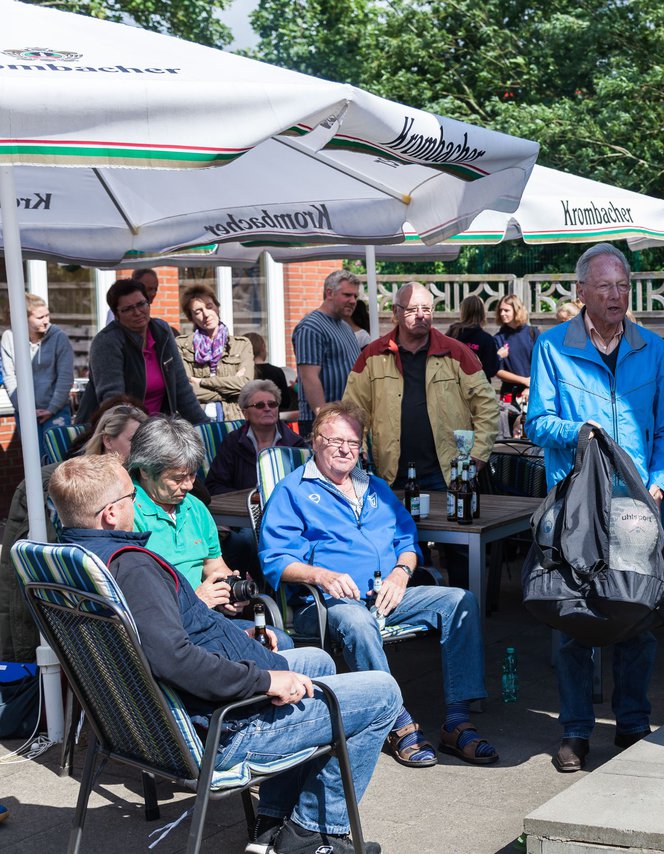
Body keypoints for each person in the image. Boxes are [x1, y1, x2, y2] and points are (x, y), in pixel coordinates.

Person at [50, 454, 399, 854]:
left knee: (318, 662)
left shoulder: (75, 563)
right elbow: (172, 659)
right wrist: (264, 680)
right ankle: (312, 835)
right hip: (223, 729)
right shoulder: (132, 569)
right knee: (382, 692)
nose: (138, 503)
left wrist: (240, 640)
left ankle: (272, 822)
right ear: (111, 514)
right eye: (132, 495)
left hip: (157, 725)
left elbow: (161, 641)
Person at [258, 401, 498, 769]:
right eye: (335, 440)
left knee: (459, 601)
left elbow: (407, 541)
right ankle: (397, 722)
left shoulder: (377, 488)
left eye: (353, 443)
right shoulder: (294, 492)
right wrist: (320, 575)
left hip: (385, 593)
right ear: (315, 441)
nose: (344, 449)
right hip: (325, 603)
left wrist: (402, 572)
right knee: (357, 622)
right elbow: (275, 559)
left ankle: (456, 721)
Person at [526, 242, 664, 774]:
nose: (616, 296)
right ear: (582, 293)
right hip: (575, 504)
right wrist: (579, 431)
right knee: (575, 615)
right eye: (605, 287)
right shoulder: (552, 347)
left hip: (636, 504)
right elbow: (536, 423)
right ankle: (574, 731)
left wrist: (659, 483)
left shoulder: (652, 347)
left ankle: (634, 722)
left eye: (623, 286)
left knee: (636, 610)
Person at [344, 282, 499, 585]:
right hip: (391, 474)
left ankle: (463, 615)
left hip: (449, 472)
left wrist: (478, 455)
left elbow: (487, 406)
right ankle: (419, 613)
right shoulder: (372, 354)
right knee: (400, 549)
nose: (421, 316)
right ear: (396, 314)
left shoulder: (457, 352)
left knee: (459, 550)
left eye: (426, 309)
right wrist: (357, 452)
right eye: (413, 310)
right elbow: (352, 412)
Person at [0, 403, 147, 662]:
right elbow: (28, 575)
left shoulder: (148, 478)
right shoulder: (62, 486)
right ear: (108, 441)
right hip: (94, 625)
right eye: (136, 439)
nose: (144, 447)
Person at [127, 416, 281, 648]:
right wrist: (197, 601)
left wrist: (229, 590)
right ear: (146, 471)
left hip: (206, 621)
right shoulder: (127, 513)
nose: (189, 485)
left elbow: (213, 566)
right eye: (178, 478)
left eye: (192, 475)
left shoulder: (194, 506)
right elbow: (138, 598)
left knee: (278, 641)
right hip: (167, 635)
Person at [76, 279, 207, 424]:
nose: (137, 312)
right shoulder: (107, 342)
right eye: (128, 309)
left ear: (148, 303)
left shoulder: (162, 331)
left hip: (157, 430)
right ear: (116, 314)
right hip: (114, 431)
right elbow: (114, 404)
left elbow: (182, 389)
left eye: (141, 304)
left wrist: (207, 427)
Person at [292, 270, 362, 436]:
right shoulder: (311, 327)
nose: (353, 301)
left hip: (347, 420)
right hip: (321, 423)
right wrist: (324, 421)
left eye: (355, 296)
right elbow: (309, 378)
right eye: (347, 295)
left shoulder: (345, 327)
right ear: (329, 293)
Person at [206, 380, 306, 495]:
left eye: (272, 404)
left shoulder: (296, 444)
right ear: (246, 414)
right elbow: (214, 486)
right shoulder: (232, 443)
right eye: (259, 405)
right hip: (243, 508)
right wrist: (250, 498)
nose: (267, 408)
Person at [1, 293, 75, 441]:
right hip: (25, 412)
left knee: (57, 458)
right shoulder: (9, 338)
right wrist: (24, 408)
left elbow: (65, 377)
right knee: (33, 461)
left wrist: (52, 408)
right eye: (40, 317)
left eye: (47, 315)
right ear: (24, 318)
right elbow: (10, 377)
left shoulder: (59, 337)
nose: (46, 321)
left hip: (56, 411)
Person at [175, 285, 255, 420]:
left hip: (234, 417)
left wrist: (201, 382)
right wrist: (231, 391)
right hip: (197, 418)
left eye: (209, 306)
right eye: (198, 311)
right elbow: (185, 391)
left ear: (217, 308)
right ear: (191, 317)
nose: (206, 314)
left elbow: (246, 385)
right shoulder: (182, 345)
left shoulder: (240, 344)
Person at [494, 294, 539, 401]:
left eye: (506, 310)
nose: (502, 313)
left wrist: (529, 386)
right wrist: (524, 380)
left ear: (517, 310)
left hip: (534, 391)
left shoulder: (533, 333)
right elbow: (498, 371)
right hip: (510, 394)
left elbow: (542, 364)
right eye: (500, 310)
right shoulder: (498, 338)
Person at [446, 295, 501, 381]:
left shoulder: (452, 333)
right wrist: (498, 357)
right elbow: (491, 370)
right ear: (483, 313)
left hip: (453, 387)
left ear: (463, 311)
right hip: (476, 389)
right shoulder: (486, 339)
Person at [245, 331, 298, 412]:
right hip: (272, 418)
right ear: (263, 348)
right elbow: (286, 402)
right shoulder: (276, 372)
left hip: (247, 418)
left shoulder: (242, 372)